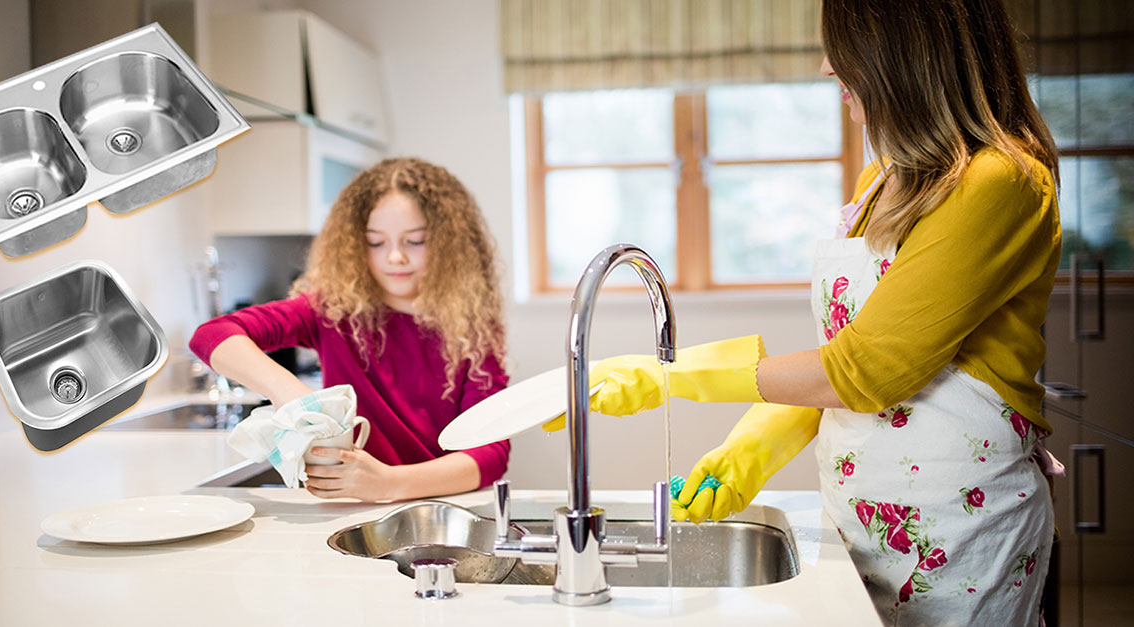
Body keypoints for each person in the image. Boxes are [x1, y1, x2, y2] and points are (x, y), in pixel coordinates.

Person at [572, 1, 1060, 624]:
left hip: (958, 534)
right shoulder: (884, 179)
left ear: (910, 50)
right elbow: (839, 355)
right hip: (859, 517)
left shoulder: (1003, 183)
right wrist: (746, 452)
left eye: (846, 46)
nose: (829, 66)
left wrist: (669, 375)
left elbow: (862, 371)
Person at [189, 157, 510, 502]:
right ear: (356, 245)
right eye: (376, 242)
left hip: (438, 505)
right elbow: (212, 335)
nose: (395, 257)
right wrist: (295, 397)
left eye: (415, 241)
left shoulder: (472, 330)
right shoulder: (332, 311)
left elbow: (491, 453)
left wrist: (391, 483)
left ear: (449, 245)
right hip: (348, 511)